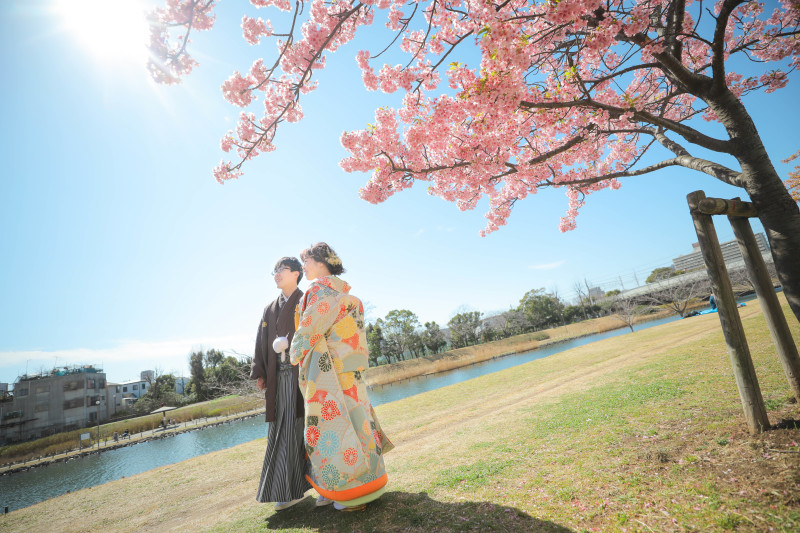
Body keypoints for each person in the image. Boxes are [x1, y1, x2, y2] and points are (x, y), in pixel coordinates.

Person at [290, 242, 393, 512]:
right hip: (350, 369)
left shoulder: (319, 291)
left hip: (329, 373)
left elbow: (309, 329)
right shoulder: (347, 295)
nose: (304, 266)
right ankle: (372, 484)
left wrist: (293, 353)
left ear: (320, 262)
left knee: (334, 427)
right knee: (359, 421)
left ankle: (349, 493)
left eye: (306, 261)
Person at [250, 257, 311, 511]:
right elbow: (261, 341)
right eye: (274, 271)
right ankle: (288, 490)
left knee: (306, 428)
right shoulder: (270, 309)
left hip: (304, 375)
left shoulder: (306, 301)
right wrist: (261, 373)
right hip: (279, 378)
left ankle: (320, 486)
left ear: (296, 273)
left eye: (281, 270)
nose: (276, 274)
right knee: (280, 432)